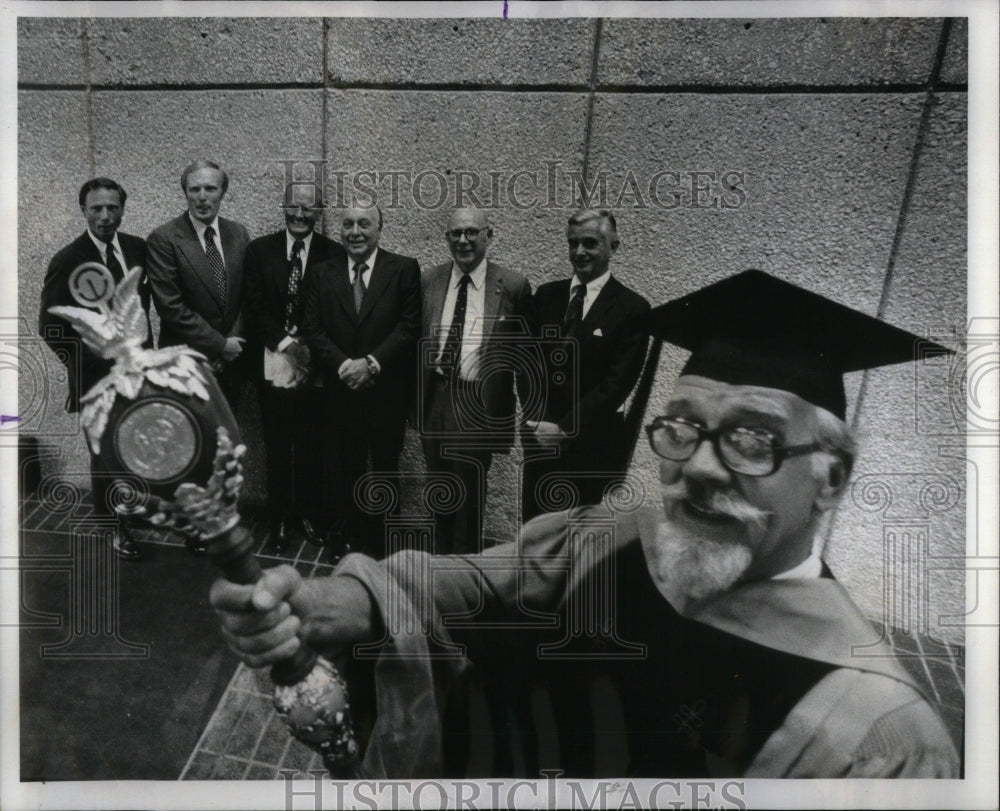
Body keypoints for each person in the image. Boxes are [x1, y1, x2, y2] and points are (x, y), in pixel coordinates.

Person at [211, 270, 959, 779]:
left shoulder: (878, 736)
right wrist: (350, 599)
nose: (698, 464)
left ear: (832, 477)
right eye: (680, 426)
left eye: (751, 438)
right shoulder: (615, 535)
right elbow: (480, 580)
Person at [38, 178, 152, 559]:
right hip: (96, 381)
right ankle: (113, 528)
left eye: (112, 208)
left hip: (136, 373)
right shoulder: (67, 259)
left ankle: (131, 511)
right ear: (83, 210)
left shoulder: (137, 249)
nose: (105, 216)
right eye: (96, 209)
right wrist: (86, 367)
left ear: (122, 208)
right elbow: (51, 326)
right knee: (105, 455)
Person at [299, 206, 421, 559]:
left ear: (380, 229)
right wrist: (345, 367)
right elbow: (313, 328)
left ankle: (384, 542)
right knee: (347, 466)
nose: (355, 231)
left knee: (384, 465)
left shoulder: (403, 269)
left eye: (364, 224)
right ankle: (349, 535)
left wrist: (371, 364)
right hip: (342, 390)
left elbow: (408, 326)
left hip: (386, 392)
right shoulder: (323, 273)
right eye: (348, 224)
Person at [520, 209, 650, 522]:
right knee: (537, 536)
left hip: (592, 448)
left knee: (581, 542)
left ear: (613, 247)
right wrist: (539, 421)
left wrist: (565, 429)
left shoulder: (632, 308)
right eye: (573, 243)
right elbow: (527, 364)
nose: (579, 252)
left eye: (590, 243)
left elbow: (617, 384)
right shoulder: (546, 297)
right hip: (541, 443)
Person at [418, 208, 531, 554]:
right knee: (438, 487)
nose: (463, 240)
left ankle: (464, 570)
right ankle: (439, 563)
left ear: (489, 235)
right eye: (455, 234)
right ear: (446, 238)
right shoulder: (430, 280)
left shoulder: (512, 285)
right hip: (436, 397)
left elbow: (525, 354)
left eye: (471, 232)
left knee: (468, 496)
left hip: (476, 404)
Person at [243, 182, 345, 553]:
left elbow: (334, 308)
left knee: (310, 443)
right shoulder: (260, 250)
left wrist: (309, 347)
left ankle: (307, 514)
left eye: (309, 208)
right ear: (283, 207)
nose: (300, 215)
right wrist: (286, 343)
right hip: (272, 359)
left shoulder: (333, 252)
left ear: (320, 212)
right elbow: (253, 306)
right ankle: (279, 518)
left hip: (314, 363)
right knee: (275, 441)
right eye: (293, 206)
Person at [146, 160, 250, 412]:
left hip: (231, 364)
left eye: (210, 189)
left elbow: (248, 295)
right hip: (187, 364)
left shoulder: (238, 234)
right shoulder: (164, 239)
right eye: (195, 190)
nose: (202, 197)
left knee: (226, 442)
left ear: (222, 192)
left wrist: (232, 346)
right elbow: (171, 307)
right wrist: (219, 345)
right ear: (185, 193)